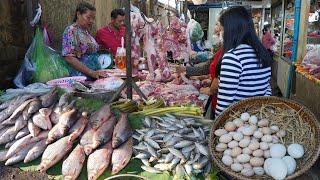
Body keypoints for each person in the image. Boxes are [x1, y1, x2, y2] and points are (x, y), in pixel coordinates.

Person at [215, 6, 272, 116]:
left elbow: (223, 106)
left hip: (237, 124)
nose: (220, 33)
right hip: (258, 120)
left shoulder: (232, 57)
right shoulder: (262, 53)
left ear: (230, 30)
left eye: (222, 29)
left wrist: (217, 128)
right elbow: (267, 89)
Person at [62, 2, 105, 79]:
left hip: (94, 76)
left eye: (93, 18)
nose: (91, 21)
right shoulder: (71, 31)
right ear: (78, 14)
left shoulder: (85, 32)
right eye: (88, 17)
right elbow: (69, 58)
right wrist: (91, 72)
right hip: (81, 78)